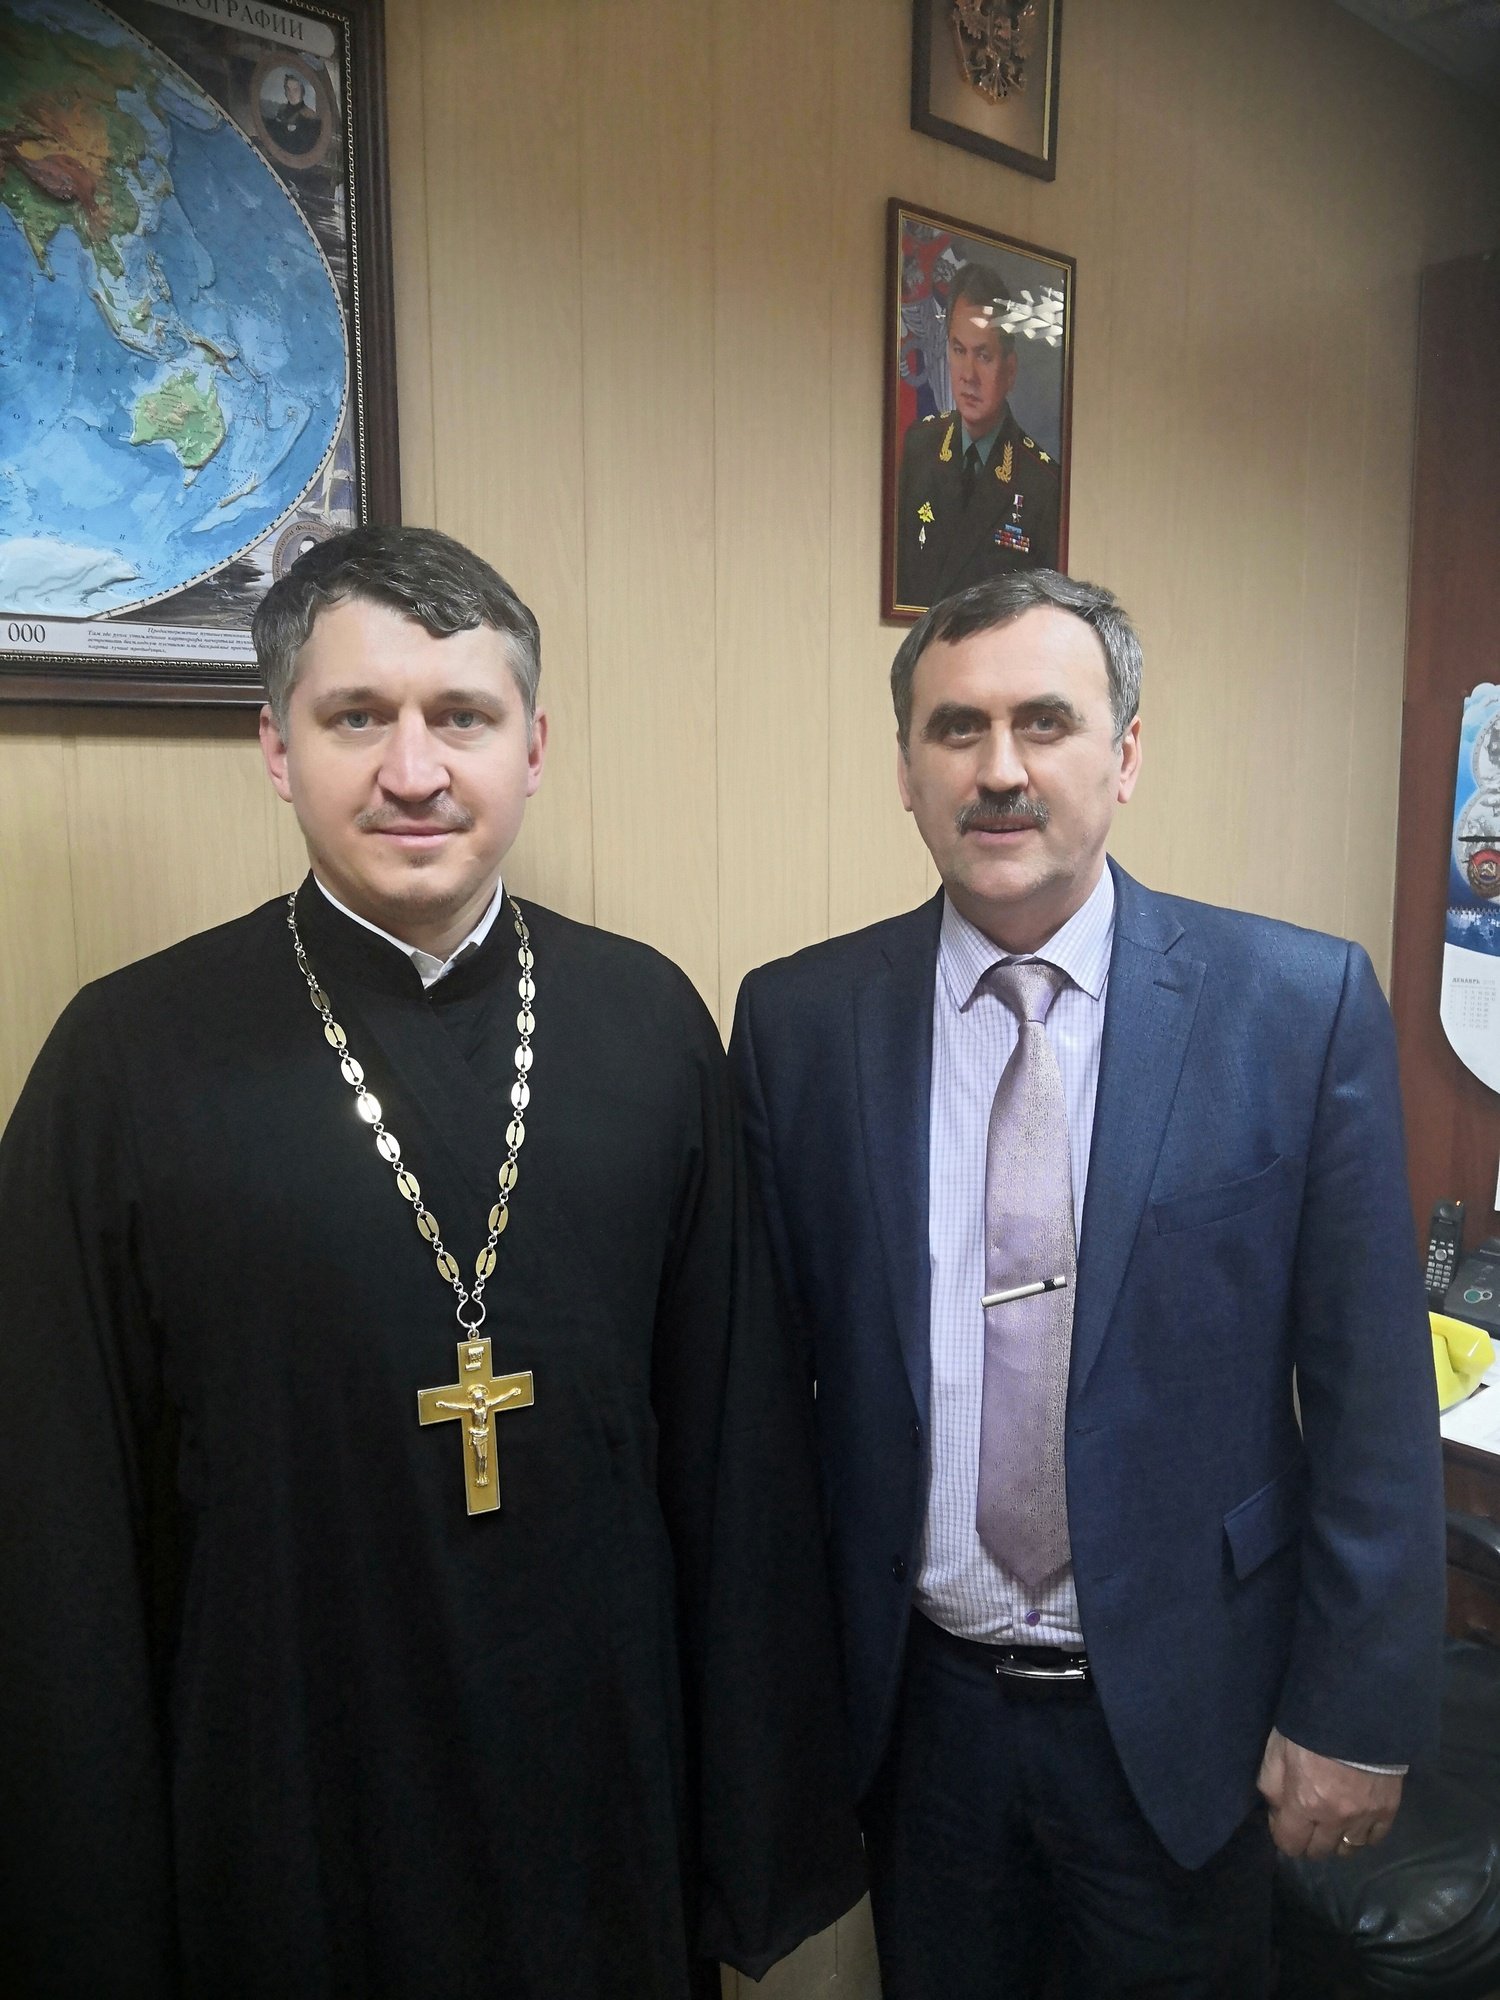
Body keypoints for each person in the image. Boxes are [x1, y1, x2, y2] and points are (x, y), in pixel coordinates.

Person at [0, 525, 863, 1997]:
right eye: (357, 718)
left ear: (535, 747)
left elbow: (738, 1457)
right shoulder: (126, 1057)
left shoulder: (650, 1026)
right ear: (276, 749)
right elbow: (52, 1516)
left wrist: (750, 1819)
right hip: (282, 1794)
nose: (415, 771)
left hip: (598, 1792)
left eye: (462, 715)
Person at [729, 567, 1444, 1997]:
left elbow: (1372, 1398)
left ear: (1124, 755)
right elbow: (768, 1402)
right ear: (907, 773)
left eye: (1045, 722)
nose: (1000, 769)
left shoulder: (1295, 1008)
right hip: (920, 1719)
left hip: (1189, 1714)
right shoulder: (801, 1021)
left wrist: (1355, 1712)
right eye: (957, 728)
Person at [895, 261, 1062, 611]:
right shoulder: (919, 446)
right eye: (959, 351)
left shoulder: (1042, 485)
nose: (968, 375)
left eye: (983, 356)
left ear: (1010, 370)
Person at [265, 71, 321, 157]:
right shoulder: (281, 110)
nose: (291, 94)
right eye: (288, 89)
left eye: (295, 90)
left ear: (302, 91)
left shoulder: (309, 115)